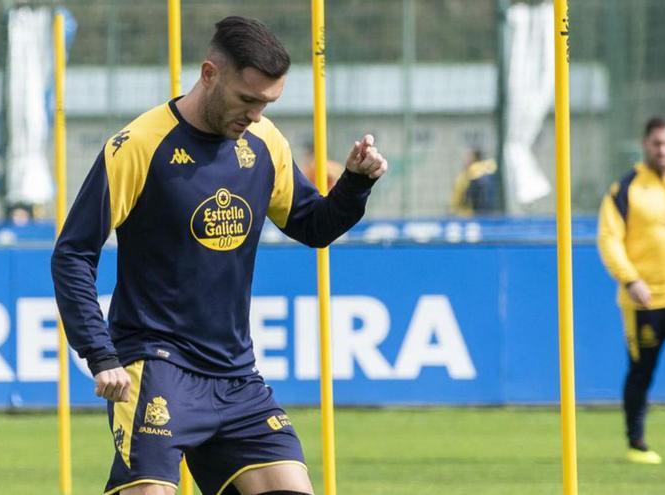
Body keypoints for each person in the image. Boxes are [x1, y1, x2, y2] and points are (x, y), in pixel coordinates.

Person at [51, 16, 387, 495]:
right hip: (154, 365)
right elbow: (73, 255)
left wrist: (355, 183)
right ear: (210, 74)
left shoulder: (266, 142)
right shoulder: (138, 146)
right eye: (247, 100)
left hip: (235, 374)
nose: (255, 115)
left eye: (267, 103)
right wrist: (100, 354)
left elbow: (313, 226)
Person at [598, 116, 665, 465]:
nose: (663, 150)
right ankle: (637, 442)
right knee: (642, 370)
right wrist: (631, 279)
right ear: (646, 144)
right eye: (658, 143)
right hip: (644, 300)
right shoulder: (626, 188)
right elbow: (609, 239)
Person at [449, 147, 497, 216]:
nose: (465, 159)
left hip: (470, 215)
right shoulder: (489, 169)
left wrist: (453, 210)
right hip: (487, 214)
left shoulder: (470, 174)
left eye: (468, 156)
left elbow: (459, 198)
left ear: (474, 158)